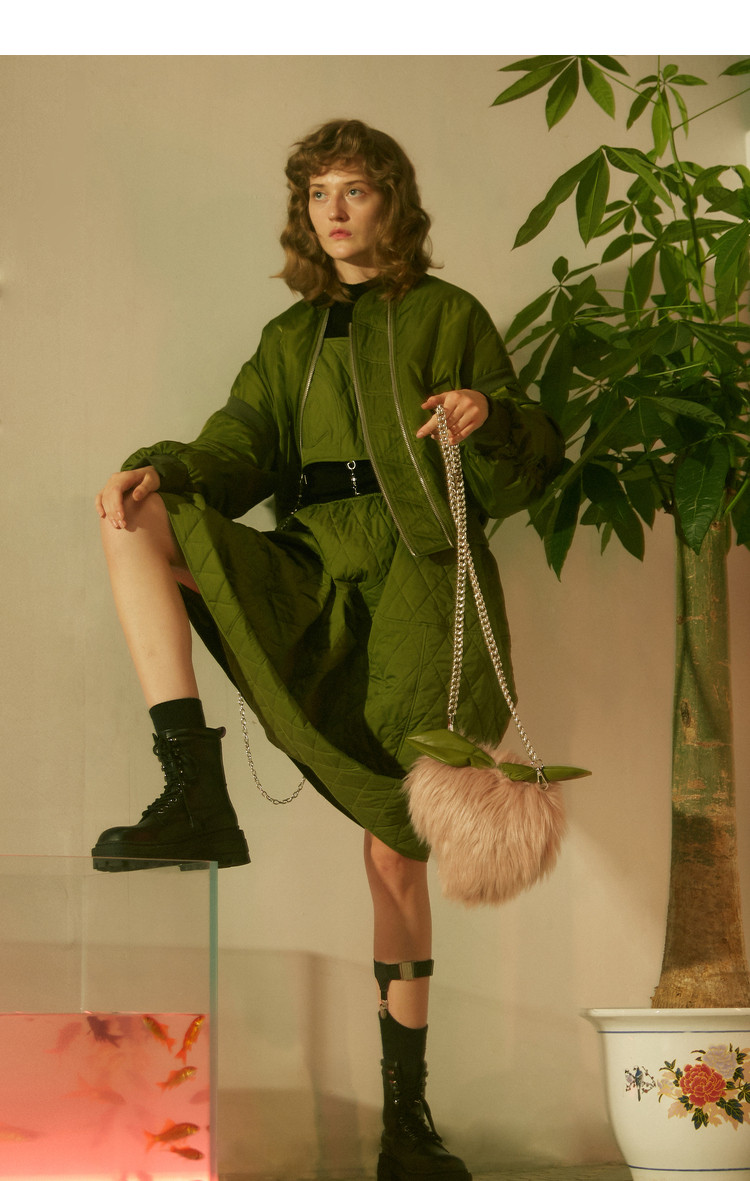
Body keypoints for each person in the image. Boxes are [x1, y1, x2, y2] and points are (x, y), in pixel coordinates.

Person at [92, 118, 564, 1181]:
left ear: (393, 201)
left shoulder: (448, 313)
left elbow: (526, 467)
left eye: (355, 189)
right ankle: (193, 786)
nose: (335, 211)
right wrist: (164, 467)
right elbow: (236, 450)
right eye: (317, 194)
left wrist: (485, 412)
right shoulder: (287, 339)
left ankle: (407, 1120)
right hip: (315, 567)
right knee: (134, 512)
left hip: (419, 578)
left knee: (396, 847)